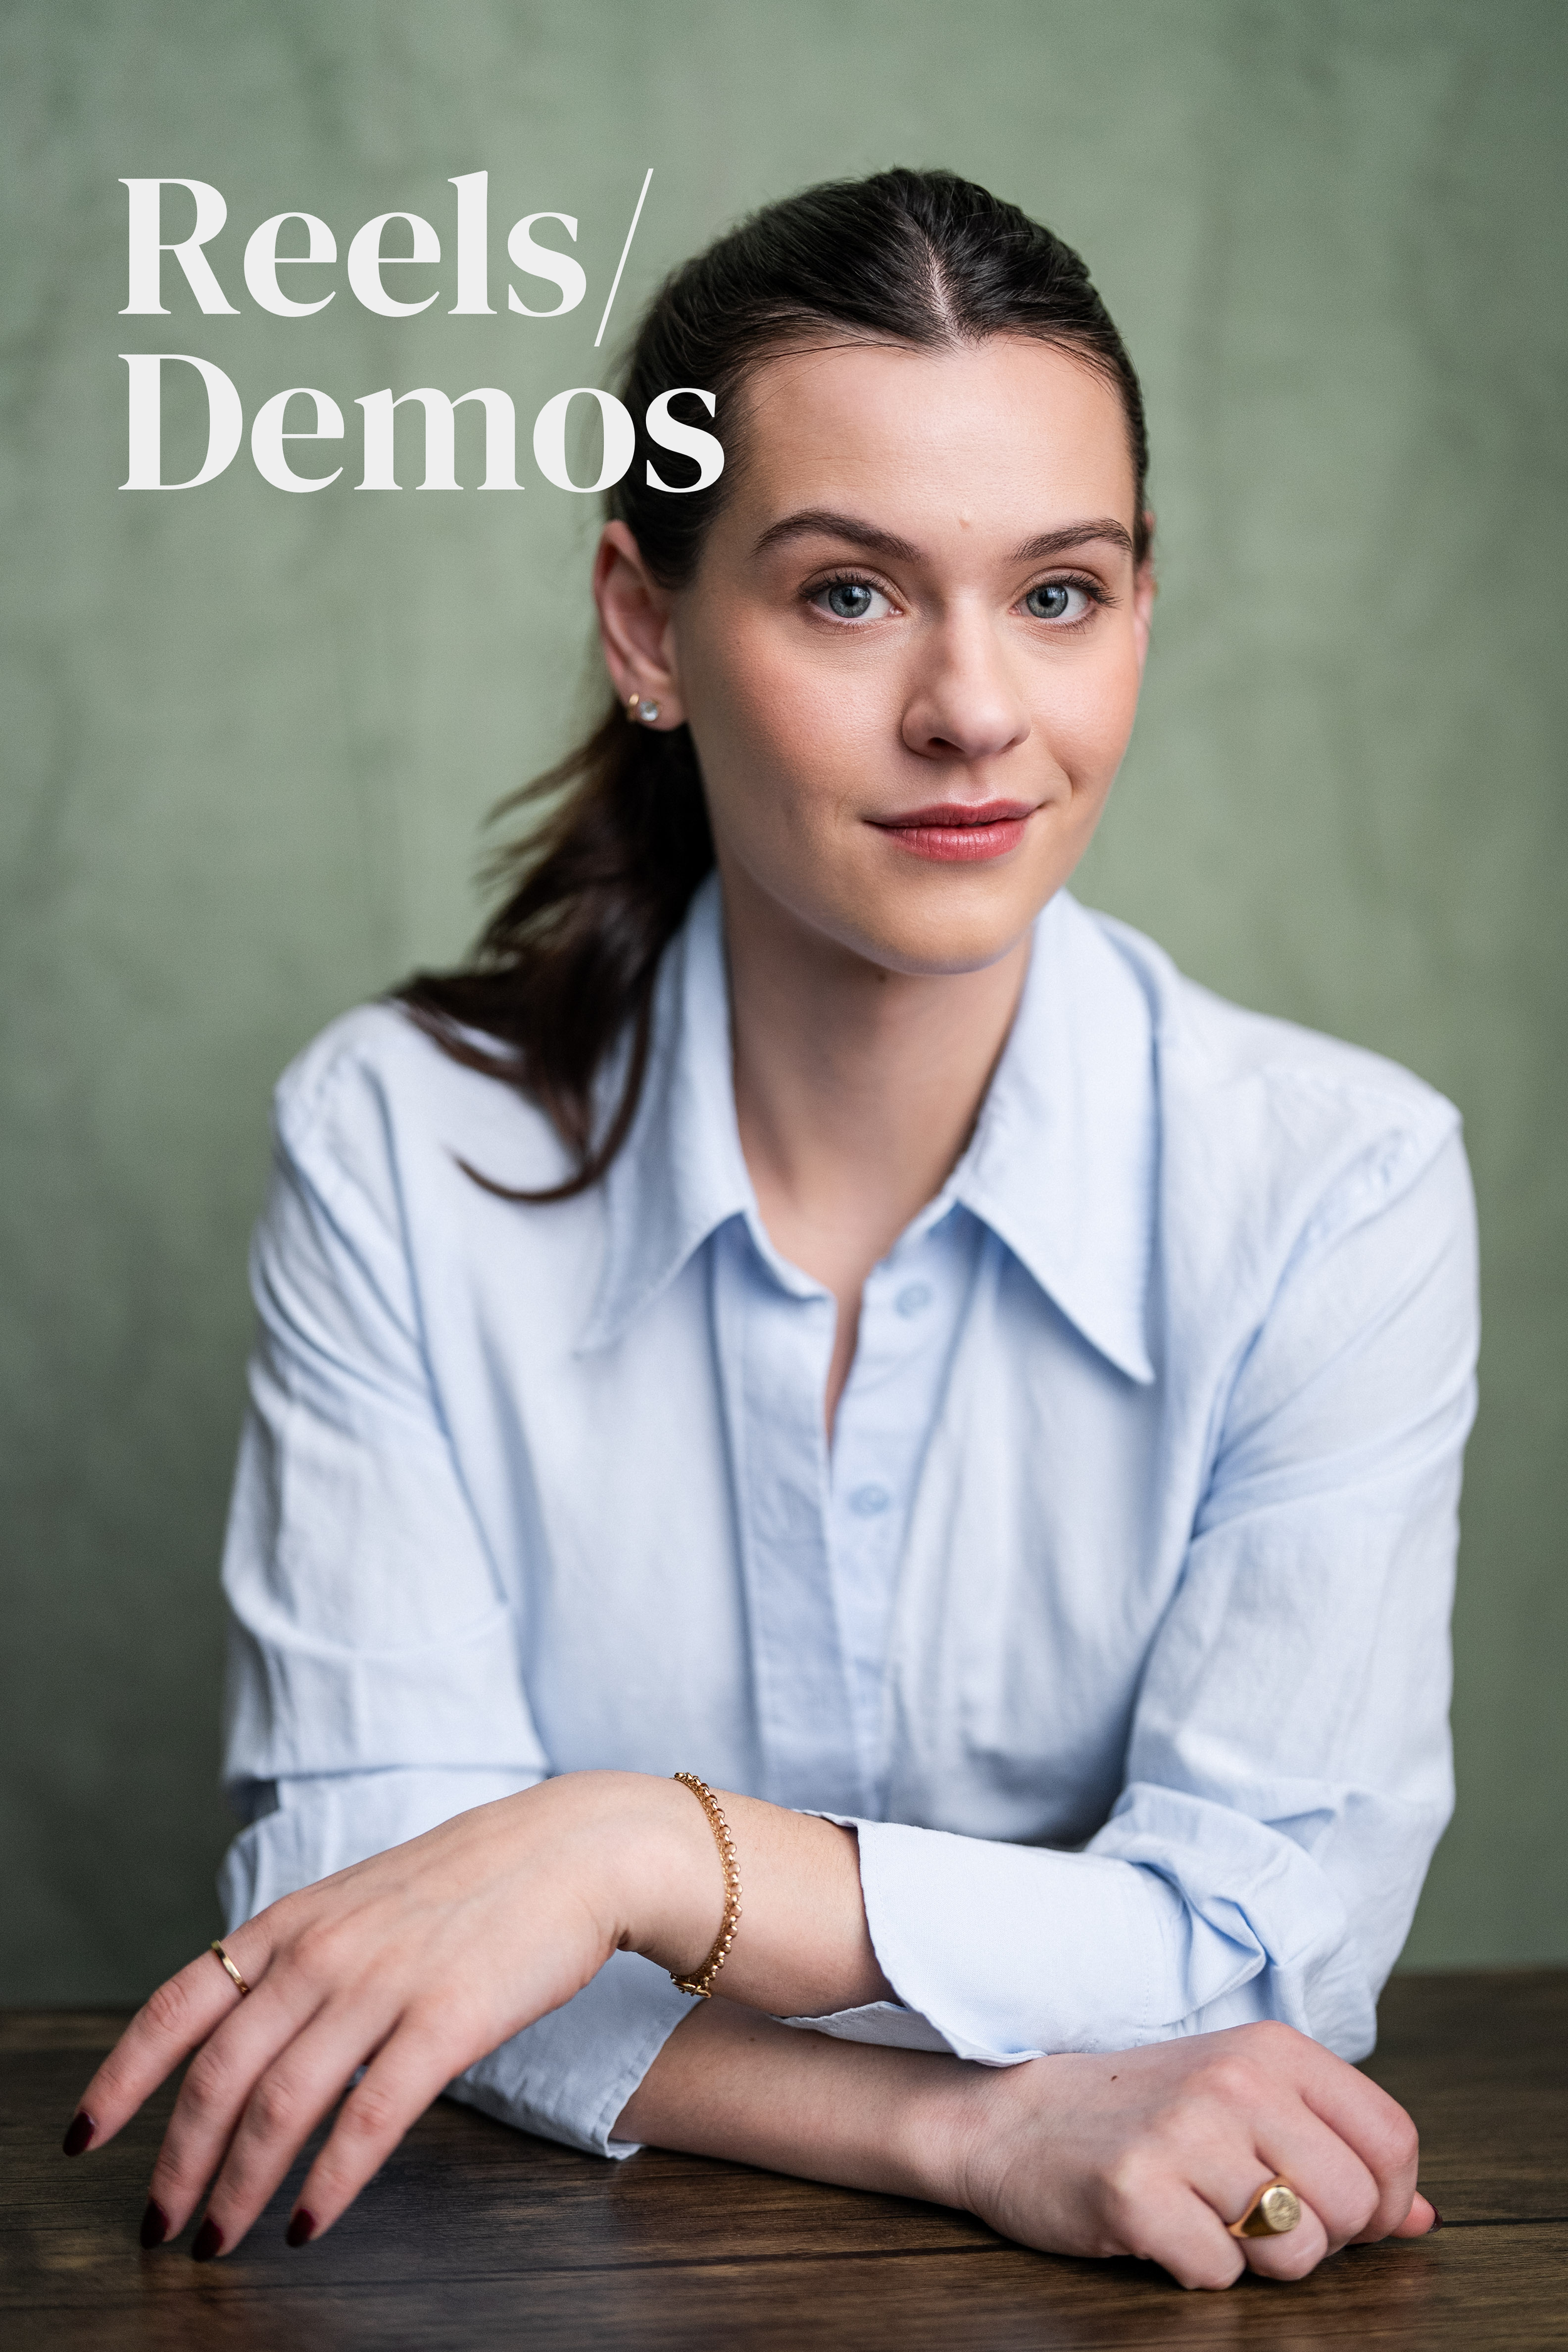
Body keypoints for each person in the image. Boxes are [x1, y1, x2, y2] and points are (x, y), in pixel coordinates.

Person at [64, 169, 1475, 2291]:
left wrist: (626, 1847)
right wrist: (968, 2123)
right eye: (847, 595)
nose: (975, 709)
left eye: (1060, 592)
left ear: (1141, 606)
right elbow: (365, 1891)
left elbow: (1264, 1934)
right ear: (648, 623)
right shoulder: (394, 1140)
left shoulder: (1338, 1182)